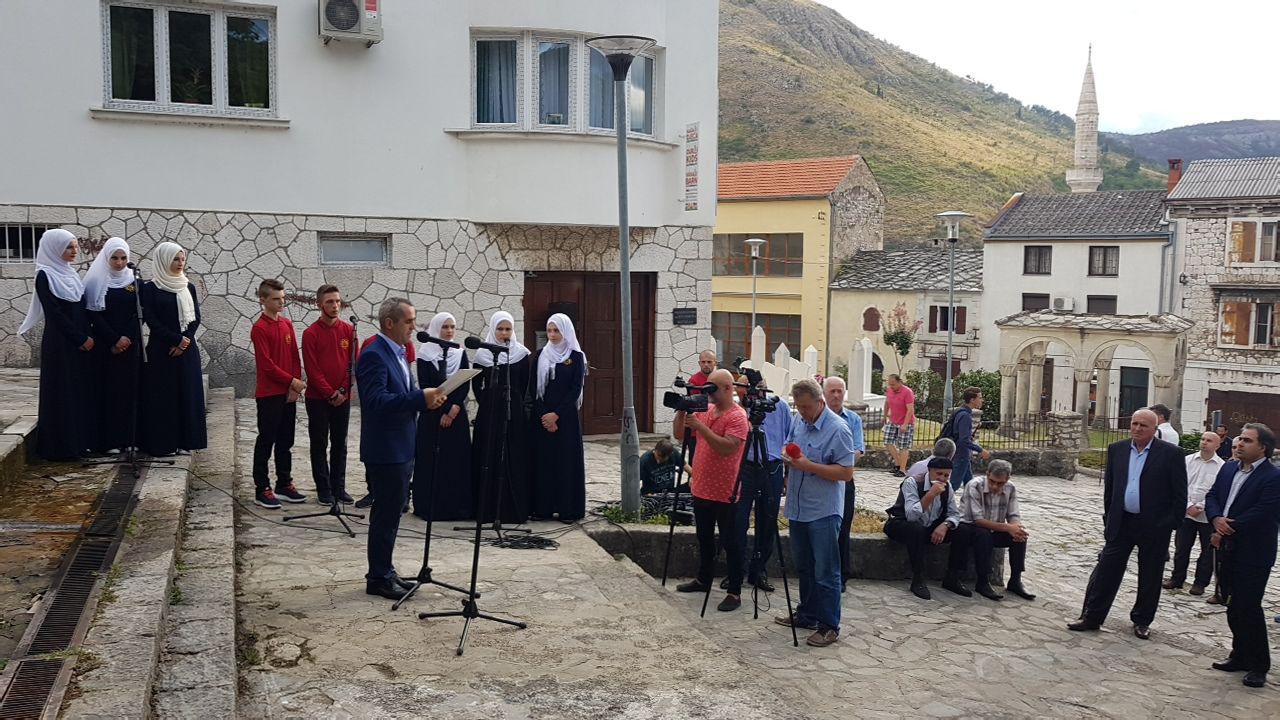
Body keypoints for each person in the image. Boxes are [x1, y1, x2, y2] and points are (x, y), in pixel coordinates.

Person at [1069, 408, 1187, 639]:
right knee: (1107, 570)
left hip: (1154, 525)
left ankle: (1142, 620)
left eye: (1143, 425)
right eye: (1134, 423)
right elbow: (1111, 488)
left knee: (1150, 574)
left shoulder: (1170, 454)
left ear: (1154, 429)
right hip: (1122, 522)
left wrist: (1170, 523)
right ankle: (1092, 616)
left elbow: (1179, 494)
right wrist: (1109, 518)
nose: (1137, 428)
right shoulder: (1118, 449)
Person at [358, 298, 446, 600]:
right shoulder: (374, 354)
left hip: (402, 445)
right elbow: (376, 401)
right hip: (386, 449)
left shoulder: (398, 352)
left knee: (393, 514)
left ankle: (386, 570)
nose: (413, 327)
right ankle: (378, 578)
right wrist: (420, 398)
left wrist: (427, 400)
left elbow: (404, 394)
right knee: (385, 515)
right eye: (408, 321)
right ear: (389, 323)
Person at [774, 379, 855, 647]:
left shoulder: (838, 429)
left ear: (820, 402)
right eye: (798, 407)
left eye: (806, 407)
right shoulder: (800, 420)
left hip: (823, 510)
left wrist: (808, 465)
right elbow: (789, 443)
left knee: (826, 571)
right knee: (805, 566)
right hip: (799, 507)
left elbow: (846, 472)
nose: (802, 412)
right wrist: (787, 454)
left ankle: (829, 625)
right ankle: (807, 614)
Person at [1205, 423, 1280, 689]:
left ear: (1263, 448)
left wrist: (1227, 528)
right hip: (1227, 548)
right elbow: (1213, 495)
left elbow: (1264, 511)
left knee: (1248, 606)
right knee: (1232, 604)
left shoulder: (1273, 477)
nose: (1239, 444)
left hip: (1253, 551)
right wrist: (1215, 518)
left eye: (1247, 441)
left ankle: (1259, 665)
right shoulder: (1228, 468)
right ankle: (1240, 654)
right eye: (1239, 439)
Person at [674, 369, 750, 612]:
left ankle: (734, 591)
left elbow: (727, 448)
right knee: (704, 537)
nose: (708, 393)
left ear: (728, 388)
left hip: (726, 491)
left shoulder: (738, 416)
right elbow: (679, 435)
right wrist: (682, 410)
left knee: (731, 542)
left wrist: (702, 428)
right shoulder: (705, 410)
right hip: (702, 487)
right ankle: (703, 579)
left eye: (712, 388)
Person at [20, 229, 91, 460]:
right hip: (60, 344)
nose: (74, 251)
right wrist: (79, 338)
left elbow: (81, 310)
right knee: (61, 392)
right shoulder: (45, 275)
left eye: (75, 247)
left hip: (78, 343)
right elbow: (55, 313)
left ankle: (78, 443)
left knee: (77, 392)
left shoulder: (70, 274)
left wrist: (86, 336)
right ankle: (60, 448)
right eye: (68, 247)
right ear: (54, 248)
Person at [140, 242, 207, 458]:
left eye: (182, 259)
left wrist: (184, 341)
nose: (180, 263)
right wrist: (175, 339)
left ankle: (186, 441)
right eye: (175, 259)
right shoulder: (150, 288)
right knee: (164, 397)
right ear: (164, 261)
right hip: (162, 349)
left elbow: (195, 318)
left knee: (187, 393)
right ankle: (164, 443)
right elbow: (151, 319)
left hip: (186, 350)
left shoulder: (188, 286)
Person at [728, 381, 791, 593]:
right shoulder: (739, 408)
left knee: (767, 521)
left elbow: (789, 438)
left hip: (771, 466)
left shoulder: (780, 406)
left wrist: (787, 474)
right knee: (738, 520)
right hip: (745, 467)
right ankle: (735, 572)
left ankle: (759, 570)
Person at [248, 279, 306, 509]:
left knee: (286, 440)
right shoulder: (259, 328)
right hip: (269, 393)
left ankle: (284, 483)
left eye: (282, 298)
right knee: (266, 440)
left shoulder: (287, 324)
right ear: (263, 300)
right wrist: (292, 381)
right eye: (276, 299)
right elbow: (267, 366)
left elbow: (294, 357)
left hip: (287, 392)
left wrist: (294, 387)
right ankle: (261, 487)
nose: (281, 302)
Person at [471, 311, 533, 524]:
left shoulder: (521, 354)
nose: (504, 333)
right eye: (500, 329)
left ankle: (512, 509)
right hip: (489, 412)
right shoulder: (483, 354)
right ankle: (486, 509)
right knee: (489, 453)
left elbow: (525, 384)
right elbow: (476, 384)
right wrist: (487, 400)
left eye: (508, 329)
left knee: (512, 455)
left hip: (512, 411)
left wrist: (514, 402)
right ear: (493, 329)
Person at [883, 457, 973, 600]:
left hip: (930, 526)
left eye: (946, 475)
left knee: (963, 530)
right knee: (916, 529)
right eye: (939, 474)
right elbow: (911, 515)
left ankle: (953, 577)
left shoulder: (947, 487)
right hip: (903, 524)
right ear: (929, 471)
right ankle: (918, 578)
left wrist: (945, 525)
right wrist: (930, 494)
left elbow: (954, 514)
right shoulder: (912, 482)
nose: (942, 478)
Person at [412, 312, 473, 520]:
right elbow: (425, 384)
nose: (449, 331)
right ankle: (430, 507)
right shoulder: (425, 353)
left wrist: (454, 408)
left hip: (456, 415)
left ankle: (457, 507)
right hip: (432, 413)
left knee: (455, 460)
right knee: (431, 460)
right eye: (445, 327)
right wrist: (443, 408)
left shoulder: (460, 353)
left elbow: (464, 383)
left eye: (452, 327)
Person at [84, 238, 142, 455]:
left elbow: (139, 313)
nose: (119, 263)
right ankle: (109, 440)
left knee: (130, 392)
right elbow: (93, 314)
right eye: (115, 258)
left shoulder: (134, 281)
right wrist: (114, 340)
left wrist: (126, 337)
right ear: (107, 258)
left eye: (123, 258)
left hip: (130, 345)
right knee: (108, 391)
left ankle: (129, 438)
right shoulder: (96, 281)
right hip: (105, 346)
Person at [301, 284, 354, 506]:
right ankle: (324, 489)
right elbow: (312, 370)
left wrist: (342, 391)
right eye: (330, 302)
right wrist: (330, 393)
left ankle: (338, 487)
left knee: (340, 444)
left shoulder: (349, 331)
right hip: (318, 399)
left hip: (343, 398)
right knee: (319, 443)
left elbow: (352, 365)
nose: (335, 306)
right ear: (319, 304)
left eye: (338, 301)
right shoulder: (310, 334)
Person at [532, 313, 587, 523]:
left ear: (566, 331)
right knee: (545, 463)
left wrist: (556, 415)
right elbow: (534, 390)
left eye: (557, 330)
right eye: (549, 330)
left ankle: (567, 509)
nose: (553, 335)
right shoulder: (540, 355)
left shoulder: (576, 357)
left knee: (566, 463)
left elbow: (575, 389)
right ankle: (543, 508)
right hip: (544, 418)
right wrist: (545, 415)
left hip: (566, 418)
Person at [962, 459, 1036, 601]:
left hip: (996, 528)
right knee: (983, 535)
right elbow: (978, 520)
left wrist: (1016, 528)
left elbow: (1013, 515)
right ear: (987, 474)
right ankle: (983, 581)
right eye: (992, 481)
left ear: (1007, 479)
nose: (995, 486)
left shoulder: (1010, 488)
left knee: (1020, 536)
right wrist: (1008, 527)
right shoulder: (974, 485)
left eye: (1000, 483)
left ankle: (1015, 580)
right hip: (972, 528)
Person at [1163, 431, 1224, 595]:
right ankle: (1177, 578)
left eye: (1209, 440)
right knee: (1181, 548)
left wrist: (1202, 506)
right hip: (1186, 513)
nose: (1204, 442)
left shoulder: (1221, 466)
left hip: (1207, 516)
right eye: (1203, 439)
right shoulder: (1187, 460)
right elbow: (1179, 485)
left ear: (1217, 445)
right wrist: (1188, 505)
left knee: (1207, 551)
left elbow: (1218, 491)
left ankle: (1200, 583)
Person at [822, 377, 864, 591]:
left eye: (840, 391)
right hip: (820, 479)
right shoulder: (816, 417)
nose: (836, 395)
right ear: (824, 393)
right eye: (832, 391)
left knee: (843, 527)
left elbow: (858, 450)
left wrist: (840, 464)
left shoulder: (853, 419)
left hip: (844, 479)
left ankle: (841, 575)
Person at [947, 387, 991, 491]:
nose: (982, 400)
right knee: (953, 485)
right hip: (961, 454)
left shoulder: (960, 412)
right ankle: (940, 500)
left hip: (961, 454)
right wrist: (980, 450)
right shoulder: (965, 416)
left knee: (969, 484)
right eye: (980, 397)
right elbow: (964, 440)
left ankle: (971, 501)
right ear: (972, 400)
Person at [883, 374, 916, 477]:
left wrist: (905, 424)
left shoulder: (907, 392)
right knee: (887, 441)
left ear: (899, 382)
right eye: (890, 384)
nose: (891, 386)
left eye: (893, 384)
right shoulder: (889, 390)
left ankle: (902, 469)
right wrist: (884, 416)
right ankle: (897, 463)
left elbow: (910, 410)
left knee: (903, 446)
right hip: (893, 420)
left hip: (906, 422)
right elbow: (887, 403)